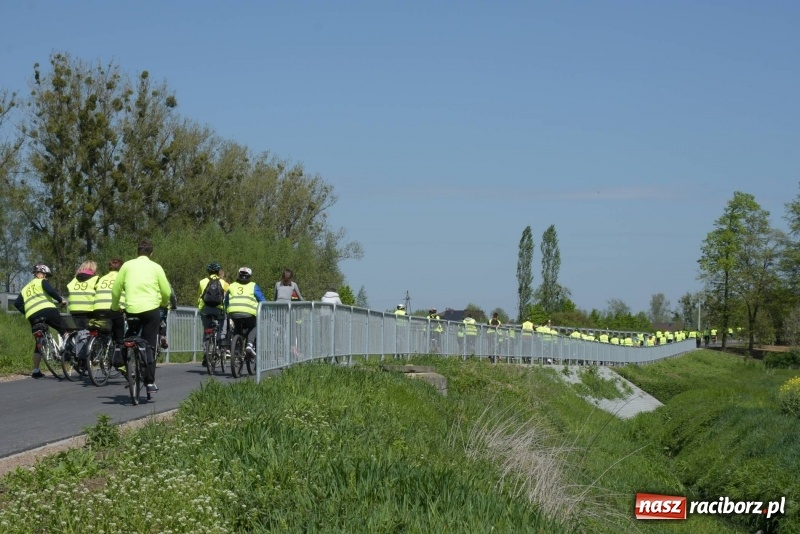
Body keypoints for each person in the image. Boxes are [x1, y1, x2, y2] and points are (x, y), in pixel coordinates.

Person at [111, 239, 172, 394]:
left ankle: (126, 361)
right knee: (150, 344)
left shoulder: (127, 265)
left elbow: (116, 289)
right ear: (151, 253)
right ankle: (150, 382)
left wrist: (115, 306)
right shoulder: (156, 267)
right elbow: (166, 291)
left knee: (129, 336)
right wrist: (164, 303)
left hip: (131, 309)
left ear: (137, 252)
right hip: (151, 309)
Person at [14, 264, 69, 378]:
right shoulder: (41, 282)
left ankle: (35, 370)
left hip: (32, 316)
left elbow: (17, 304)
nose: (46, 278)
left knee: (39, 342)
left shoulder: (25, 288)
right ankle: (64, 346)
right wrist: (61, 300)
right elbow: (51, 291)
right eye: (46, 276)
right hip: (48, 310)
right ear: (42, 274)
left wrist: (28, 312)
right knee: (63, 328)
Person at [225, 267, 266, 359]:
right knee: (254, 326)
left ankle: (234, 347)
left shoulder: (232, 285)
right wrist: (269, 310)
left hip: (233, 312)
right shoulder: (253, 285)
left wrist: (225, 309)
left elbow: (226, 300)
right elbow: (262, 300)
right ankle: (250, 344)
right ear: (249, 277)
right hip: (248, 313)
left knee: (237, 327)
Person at [198, 262, 230, 363]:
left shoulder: (202, 282)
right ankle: (221, 343)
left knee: (206, 329)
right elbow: (229, 296)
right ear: (218, 271)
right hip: (218, 309)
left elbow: (199, 296)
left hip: (205, 309)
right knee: (223, 322)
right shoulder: (224, 283)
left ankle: (205, 353)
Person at [93, 258, 126, 354]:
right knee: (119, 335)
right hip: (114, 309)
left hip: (98, 309)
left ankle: (101, 352)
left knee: (104, 332)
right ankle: (119, 359)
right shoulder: (122, 278)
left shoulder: (102, 279)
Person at [67, 260, 99, 330]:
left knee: (78, 333)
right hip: (89, 311)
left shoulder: (74, 280)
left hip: (74, 310)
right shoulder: (95, 279)